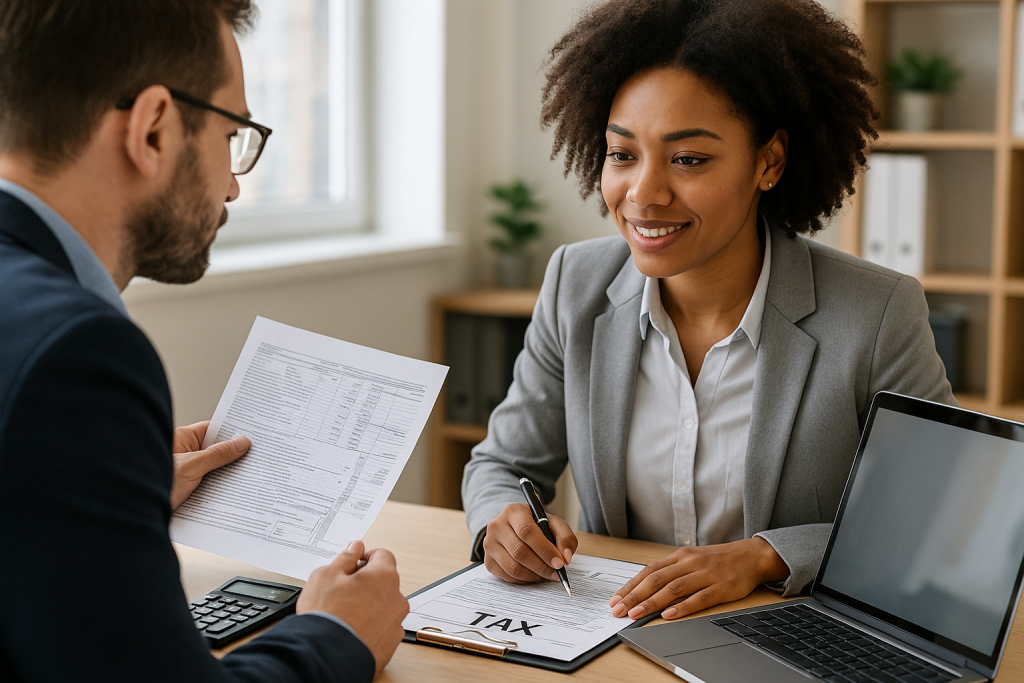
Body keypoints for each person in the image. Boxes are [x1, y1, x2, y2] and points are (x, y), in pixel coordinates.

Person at [462, 0, 954, 623]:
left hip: (779, 631)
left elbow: (928, 513)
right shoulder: (575, 284)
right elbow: (503, 464)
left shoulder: (876, 311)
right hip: (614, 632)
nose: (644, 195)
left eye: (688, 159)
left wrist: (762, 557)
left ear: (768, 162)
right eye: (623, 154)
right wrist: (500, 525)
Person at [0, 1, 407, 681]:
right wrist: (338, 632)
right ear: (154, 128)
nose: (234, 184)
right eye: (232, 136)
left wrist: (110, 494)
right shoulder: (74, 354)